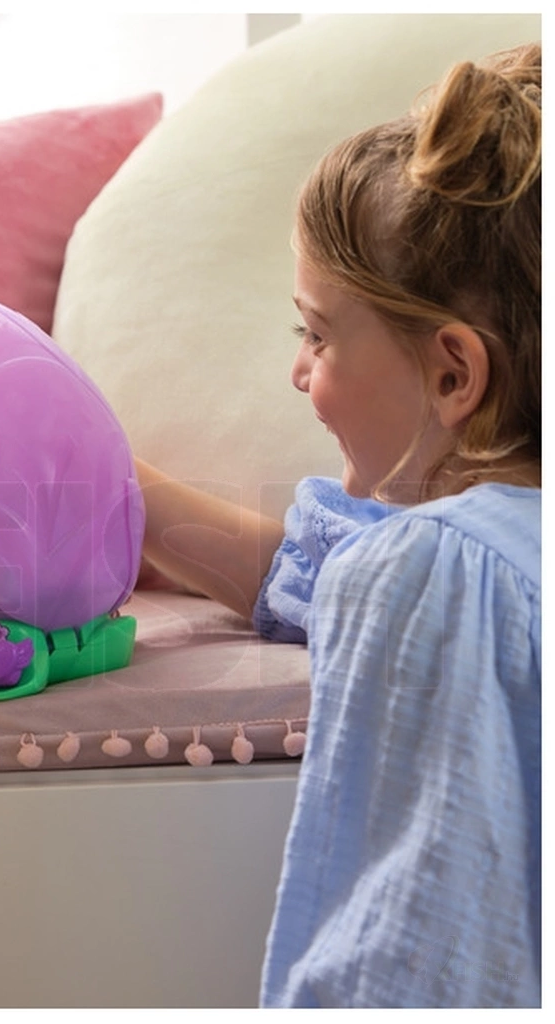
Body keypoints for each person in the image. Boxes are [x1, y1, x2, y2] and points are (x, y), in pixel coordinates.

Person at [137, 43, 540, 1007]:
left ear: (453, 374)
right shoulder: (481, 560)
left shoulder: (435, 572)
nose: (298, 372)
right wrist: (126, 491)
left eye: (315, 335)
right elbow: (327, 572)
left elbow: (412, 960)